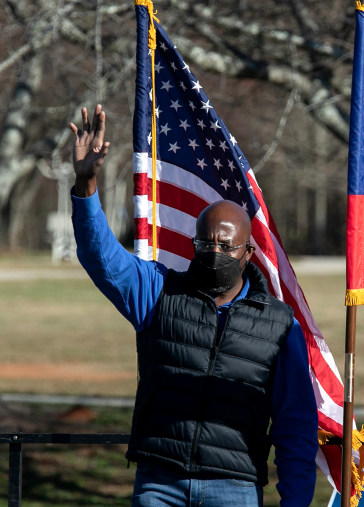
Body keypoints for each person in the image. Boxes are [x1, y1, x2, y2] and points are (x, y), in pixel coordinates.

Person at [68, 104, 318, 507]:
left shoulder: (279, 325)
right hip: (159, 482)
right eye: (205, 244)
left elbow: (295, 422)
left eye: (225, 246)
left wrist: (296, 500)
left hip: (234, 487)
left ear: (248, 252)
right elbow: (102, 259)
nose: (214, 252)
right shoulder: (159, 292)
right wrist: (85, 185)